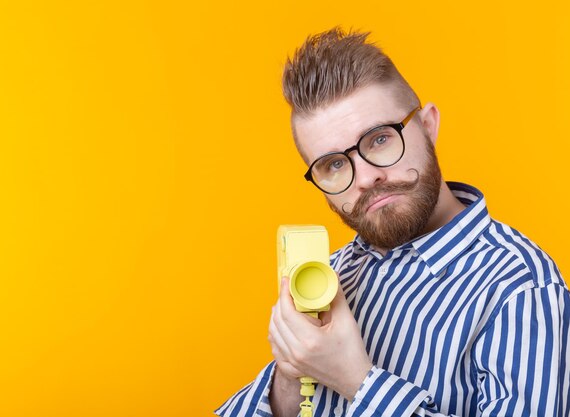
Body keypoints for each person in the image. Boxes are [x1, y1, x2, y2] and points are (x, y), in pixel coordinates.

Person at [215, 27, 570, 417]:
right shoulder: (332, 274)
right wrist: (289, 375)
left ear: (428, 126)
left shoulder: (520, 286)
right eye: (333, 164)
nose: (366, 178)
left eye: (379, 139)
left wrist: (357, 380)